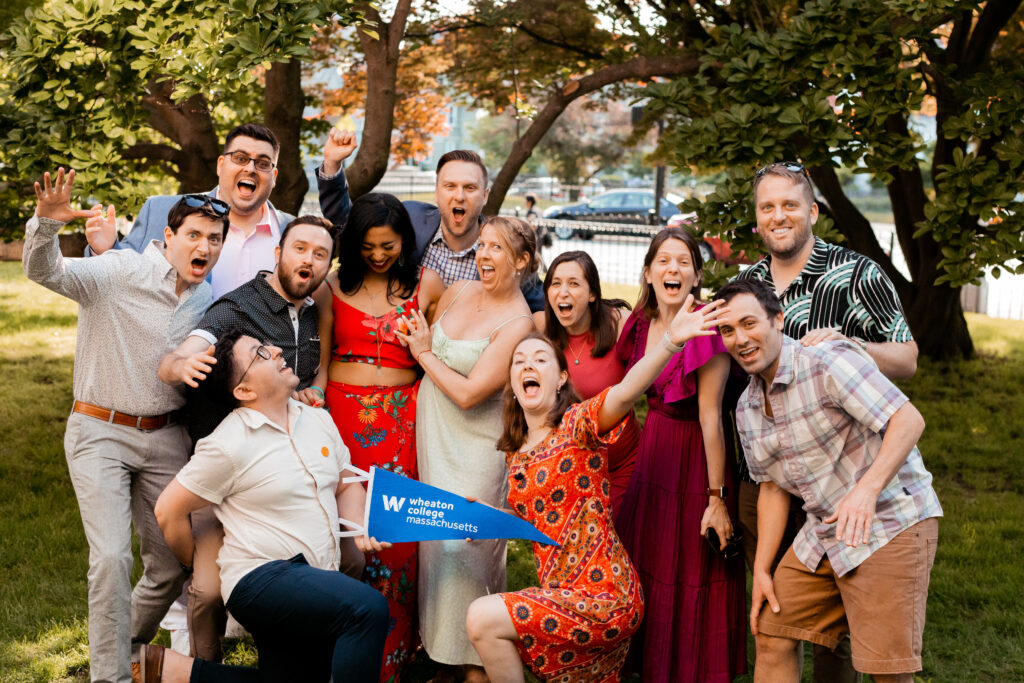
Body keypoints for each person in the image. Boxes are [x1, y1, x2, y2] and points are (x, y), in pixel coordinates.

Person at [23, 168, 227, 683]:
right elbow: (47, 274)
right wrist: (45, 226)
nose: (205, 246)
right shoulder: (118, 270)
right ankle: (109, 677)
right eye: (195, 235)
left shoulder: (206, 300)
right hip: (100, 431)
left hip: (165, 438)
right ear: (168, 238)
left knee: (171, 560)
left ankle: (125, 647)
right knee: (112, 558)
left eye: (215, 239)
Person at [466, 295, 725, 683]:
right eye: (519, 362)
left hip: (605, 595)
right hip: (562, 594)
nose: (528, 366)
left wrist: (670, 340)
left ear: (561, 379)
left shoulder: (576, 425)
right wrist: (491, 518)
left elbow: (625, 393)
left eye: (540, 359)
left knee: (482, 617)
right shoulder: (515, 456)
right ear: (513, 386)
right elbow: (538, 522)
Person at [734, 161, 919, 681]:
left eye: (790, 204)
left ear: (812, 211)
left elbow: (908, 357)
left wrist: (852, 345)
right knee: (782, 613)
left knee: (845, 633)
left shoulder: (857, 273)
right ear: (757, 218)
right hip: (774, 470)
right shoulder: (744, 286)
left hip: (847, 470)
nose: (778, 215)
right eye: (767, 206)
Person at [713, 278, 942, 683]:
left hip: (891, 519)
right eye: (728, 331)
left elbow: (908, 421)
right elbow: (772, 487)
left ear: (778, 320)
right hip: (825, 531)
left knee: (885, 669)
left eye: (749, 324)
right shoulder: (747, 407)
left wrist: (866, 491)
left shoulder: (825, 361)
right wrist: (763, 569)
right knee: (772, 632)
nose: (740, 339)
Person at [155, 215, 359, 663]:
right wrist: (176, 367)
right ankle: (203, 669)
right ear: (278, 253)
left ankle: (313, 653)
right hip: (227, 475)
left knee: (354, 561)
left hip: (289, 469)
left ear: (328, 267)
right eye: (300, 248)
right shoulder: (237, 308)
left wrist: (315, 391)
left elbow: (316, 368)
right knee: (208, 591)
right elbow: (186, 351)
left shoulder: (313, 308)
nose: (308, 259)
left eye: (320, 254)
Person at [142, 330, 390, 683]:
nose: (275, 350)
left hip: (316, 578)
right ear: (244, 391)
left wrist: (363, 527)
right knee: (367, 608)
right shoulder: (228, 443)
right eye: (260, 353)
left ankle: (174, 671)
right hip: (261, 579)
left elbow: (346, 482)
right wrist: (190, 560)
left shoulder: (317, 419)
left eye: (268, 346)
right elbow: (168, 509)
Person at [394, 216, 537, 683]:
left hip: (477, 448)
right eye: (482, 245)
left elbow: (472, 391)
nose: (484, 255)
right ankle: (441, 655)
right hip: (433, 438)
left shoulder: (519, 323)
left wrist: (423, 354)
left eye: (498, 248)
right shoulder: (456, 292)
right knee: (433, 546)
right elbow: (421, 337)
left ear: (522, 261)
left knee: (465, 548)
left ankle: (478, 659)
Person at [318, 193, 444, 681]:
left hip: (400, 422)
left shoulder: (426, 285)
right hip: (343, 420)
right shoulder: (332, 286)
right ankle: (337, 654)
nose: (377, 255)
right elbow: (324, 363)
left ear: (405, 242)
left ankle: (391, 661)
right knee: (346, 532)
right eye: (367, 246)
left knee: (394, 536)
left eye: (387, 246)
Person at [615, 227, 746, 682]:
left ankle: (690, 669)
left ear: (695, 275)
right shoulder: (638, 324)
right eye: (664, 261)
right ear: (648, 271)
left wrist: (717, 496)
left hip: (696, 458)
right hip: (653, 455)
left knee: (689, 567)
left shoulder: (707, 332)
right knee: (647, 560)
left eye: (684, 261)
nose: (674, 269)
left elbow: (711, 418)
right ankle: (646, 664)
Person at [87, 122, 356, 299]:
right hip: (180, 373)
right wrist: (104, 248)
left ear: (273, 176)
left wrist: (331, 166)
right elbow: (119, 276)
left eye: (262, 163)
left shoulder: (293, 232)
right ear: (220, 165)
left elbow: (350, 238)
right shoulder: (160, 211)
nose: (250, 168)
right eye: (240, 158)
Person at [318, 138, 544, 311]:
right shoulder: (410, 218)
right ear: (436, 192)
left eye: (470, 188)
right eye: (449, 186)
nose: (459, 196)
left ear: (485, 196)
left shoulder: (503, 247)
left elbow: (542, 307)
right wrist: (332, 164)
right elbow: (352, 224)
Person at [532, 250, 639, 515]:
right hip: (569, 470)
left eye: (574, 283)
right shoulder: (540, 328)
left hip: (623, 466)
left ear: (592, 294)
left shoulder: (618, 324)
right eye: (555, 283)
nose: (563, 292)